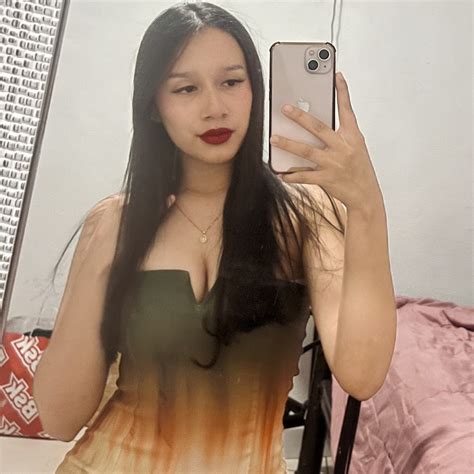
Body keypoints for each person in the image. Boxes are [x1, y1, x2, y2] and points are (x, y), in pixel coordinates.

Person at [34, 2, 396, 473]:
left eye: (231, 82)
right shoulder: (114, 223)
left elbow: (362, 375)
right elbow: (60, 418)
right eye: (186, 88)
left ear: (256, 89)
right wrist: (104, 248)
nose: (215, 108)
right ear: (154, 107)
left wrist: (367, 206)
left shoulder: (307, 215)